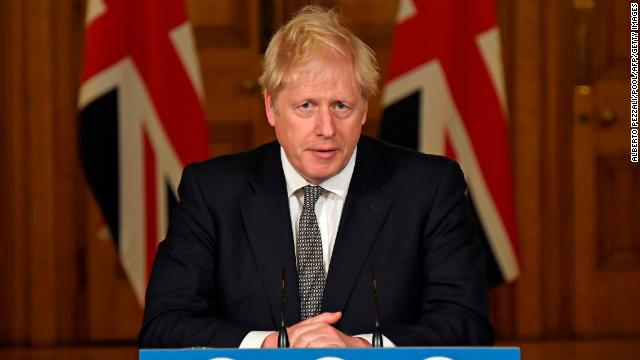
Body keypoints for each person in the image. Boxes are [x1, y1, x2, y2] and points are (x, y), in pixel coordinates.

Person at [139, 5, 493, 348]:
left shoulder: (429, 188)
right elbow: (166, 324)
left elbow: (466, 322)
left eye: (341, 105)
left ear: (364, 108)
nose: (326, 129)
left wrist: (363, 349)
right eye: (306, 106)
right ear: (271, 107)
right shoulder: (213, 192)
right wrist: (269, 346)